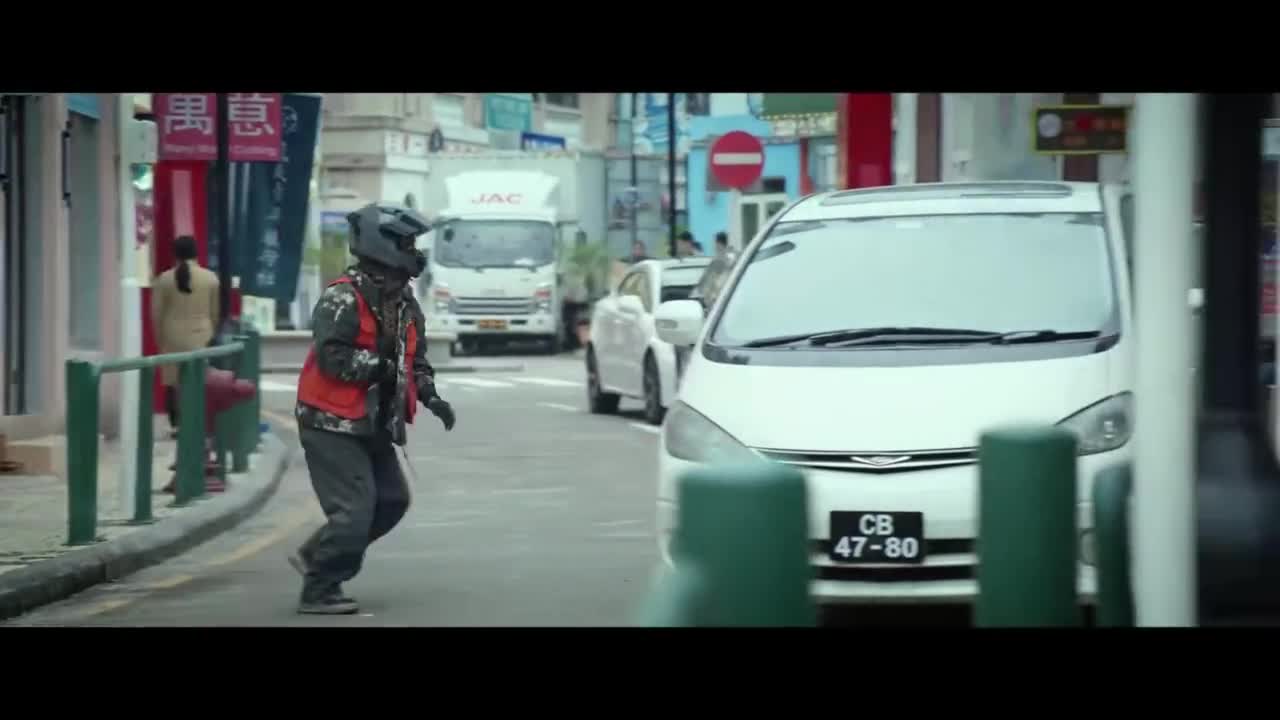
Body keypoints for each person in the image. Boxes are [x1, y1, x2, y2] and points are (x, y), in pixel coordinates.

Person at [290, 203, 457, 615]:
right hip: (331, 421)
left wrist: (431, 395)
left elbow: (416, 358)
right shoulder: (342, 297)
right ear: (382, 245)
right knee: (354, 511)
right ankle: (320, 586)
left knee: (392, 500)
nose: (414, 252)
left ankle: (319, 554)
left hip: (373, 421)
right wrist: (381, 367)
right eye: (406, 243)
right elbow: (332, 357)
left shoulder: (404, 302)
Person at [150, 235, 219, 437]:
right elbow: (215, 313)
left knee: (174, 383)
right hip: (201, 335)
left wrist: (160, 339)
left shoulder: (164, 280)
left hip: (172, 336)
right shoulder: (211, 278)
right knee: (198, 380)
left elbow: (156, 314)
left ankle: (177, 425)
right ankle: (197, 422)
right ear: (196, 253)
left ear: (175, 255)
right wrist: (210, 333)